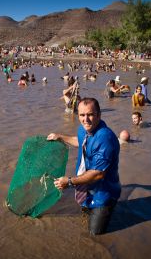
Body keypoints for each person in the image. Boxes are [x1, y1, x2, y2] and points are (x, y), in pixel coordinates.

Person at [47, 98, 121, 235]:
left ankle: (110, 206)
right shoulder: (83, 129)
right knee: (85, 212)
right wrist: (61, 137)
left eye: (90, 114)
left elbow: (98, 174)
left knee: (95, 234)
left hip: (104, 193)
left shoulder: (105, 138)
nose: (85, 119)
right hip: (87, 186)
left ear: (99, 115)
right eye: (82, 115)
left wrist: (69, 181)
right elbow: (79, 140)